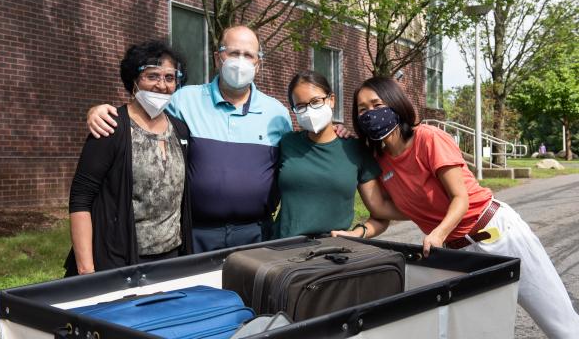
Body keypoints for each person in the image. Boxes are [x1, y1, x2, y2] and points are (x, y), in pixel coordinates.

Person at [333, 76, 579, 339]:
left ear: (395, 103)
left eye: (376, 104)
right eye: (362, 110)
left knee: (560, 326)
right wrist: (347, 144)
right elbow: (382, 210)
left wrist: (438, 233)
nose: (370, 114)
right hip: (459, 252)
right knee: (473, 332)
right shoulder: (379, 161)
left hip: (497, 234)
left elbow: (459, 197)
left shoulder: (428, 138)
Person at [86, 26, 293, 253]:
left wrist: (335, 133)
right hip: (195, 233)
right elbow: (143, 115)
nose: (240, 61)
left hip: (257, 233)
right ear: (217, 58)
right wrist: (99, 110)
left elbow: (300, 158)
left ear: (258, 63)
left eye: (248, 55)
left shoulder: (277, 114)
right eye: (233, 53)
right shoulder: (182, 100)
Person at [64, 40, 192, 276]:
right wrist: (87, 270)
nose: (161, 85)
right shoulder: (111, 127)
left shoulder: (180, 131)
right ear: (134, 80)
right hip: (118, 260)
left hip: (170, 258)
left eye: (169, 78)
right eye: (152, 76)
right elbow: (81, 199)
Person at [274, 71, 396, 239]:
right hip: (283, 249)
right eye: (300, 106)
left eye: (316, 101)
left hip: (332, 254)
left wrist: (356, 234)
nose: (309, 111)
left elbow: (381, 214)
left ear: (331, 100)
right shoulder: (286, 143)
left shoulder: (356, 149)